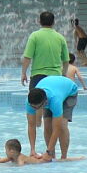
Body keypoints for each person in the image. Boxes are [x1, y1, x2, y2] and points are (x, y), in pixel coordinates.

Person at [20, 11, 70, 153]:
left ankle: (38, 148)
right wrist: (63, 74)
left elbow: (27, 57)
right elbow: (66, 60)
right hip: (55, 79)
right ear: (53, 22)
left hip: (38, 77)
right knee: (52, 116)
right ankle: (56, 152)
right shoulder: (60, 37)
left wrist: (23, 72)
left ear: (39, 21)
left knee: (35, 110)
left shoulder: (35, 36)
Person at [27, 74, 83, 160]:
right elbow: (31, 125)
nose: (34, 109)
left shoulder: (55, 100)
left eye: (37, 107)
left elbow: (57, 128)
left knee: (63, 125)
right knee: (47, 125)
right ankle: (51, 155)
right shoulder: (30, 102)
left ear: (44, 102)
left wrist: (47, 151)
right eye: (33, 107)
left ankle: (63, 156)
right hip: (52, 86)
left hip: (69, 92)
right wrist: (32, 150)